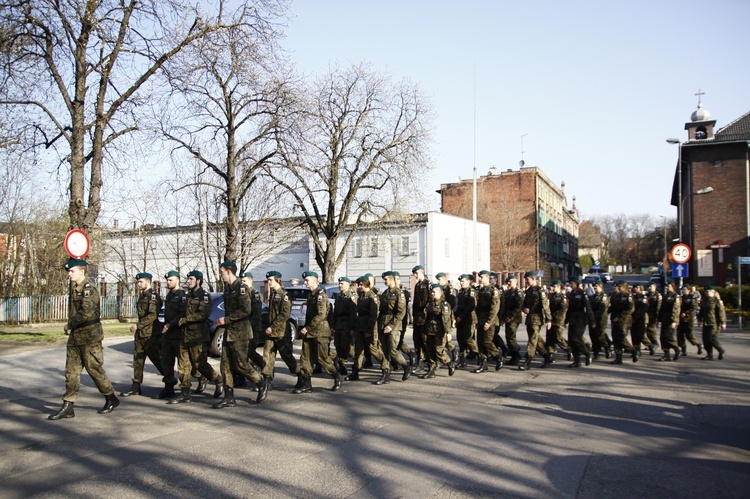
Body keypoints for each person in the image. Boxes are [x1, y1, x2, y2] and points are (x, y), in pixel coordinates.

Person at [49, 259, 119, 420]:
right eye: (69, 271)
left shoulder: (90, 290)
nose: (69, 274)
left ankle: (111, 398)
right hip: (76, 337)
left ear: (82, 271)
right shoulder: (73, 289)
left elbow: (86, 313)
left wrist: (69, 325)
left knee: (94, 369)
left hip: (90, 337)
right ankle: (68, 405)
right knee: (71, 372)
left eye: (72, 271)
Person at [212, 261, 268, 408]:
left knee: (241, 364)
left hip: (241, 332)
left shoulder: (241, 288)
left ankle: (261, 382)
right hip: (229, 332)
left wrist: (226, 319)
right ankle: (229, 397)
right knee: (225, 365)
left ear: (229, 271)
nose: (221, 275)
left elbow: (246, 311)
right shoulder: (228, 289)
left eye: (222, 272)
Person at [169, 270, 223, 404]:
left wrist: (186, 319)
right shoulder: (187, 296)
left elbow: (203, 314)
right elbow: (181, 312)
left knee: (200, 364)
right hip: (185, 335)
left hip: (198, 336)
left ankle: (217, 380)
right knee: (183, 365)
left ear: (198, 280)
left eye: (191, 279)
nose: (188, 282)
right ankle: (185, 392)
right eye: (187, 279)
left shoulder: (204, 296)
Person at [295, 271, 343, 394]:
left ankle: (337, 376)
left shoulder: (320, 295)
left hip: (320, 332)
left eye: (307, 280)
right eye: (304, 280)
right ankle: (307, 384)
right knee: (305, 358)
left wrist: (307, 328)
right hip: (310, 332)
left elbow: (321, 315)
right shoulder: (311, 295)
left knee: (322, 359)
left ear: (315, 281)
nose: (305, 282)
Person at [121, 272, 163, 397]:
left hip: (150, 335)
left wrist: (138, 325)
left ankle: (170, 382)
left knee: (157, 360)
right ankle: (136, 386)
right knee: (138, 360)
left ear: (148, 282)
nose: (138, 284)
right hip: (141, 334)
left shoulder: (153, 296)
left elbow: (152, 315)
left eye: (141, 282)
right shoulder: (142, 296)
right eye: (137, 282)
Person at [262, 271, 304, 389]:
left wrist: (272, 326)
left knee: (287, 356)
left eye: (271, 280)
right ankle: (267, 379)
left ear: (278, 280)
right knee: (267, 356)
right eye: (268, 280)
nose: (268, 282)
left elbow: (284, 314)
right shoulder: (273, 294)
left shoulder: (284, 294)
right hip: (271, 332)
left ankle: (300, 374)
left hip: (281, 332)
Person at [350, 276, 392, 383]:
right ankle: (355, 371)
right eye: (358, 285)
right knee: (359, 350)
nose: (359, 287)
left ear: (366, 284)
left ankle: (386, 368)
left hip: (369, 326)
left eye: (361, 285)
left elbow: (373, 315)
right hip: (360, 325)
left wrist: (369, 330)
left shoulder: (372, 297)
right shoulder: (361, 296)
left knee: (374, 350)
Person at [378, 271, 412, 381]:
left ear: (393, 279)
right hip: (383, 322)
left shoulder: (399, 293)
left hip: (395, 324)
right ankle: (386, 371)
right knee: (383, 349)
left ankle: (406, 366)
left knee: (392, 349)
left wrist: (391, 326)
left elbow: (401, 312)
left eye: (386, 279)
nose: (384, 281)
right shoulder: (385, 293)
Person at [419, 284, 456, 379]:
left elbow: (446, 319)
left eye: (434, 292)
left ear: (440, 293)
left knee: (438, 350)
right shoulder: (430, 304)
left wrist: (448, 332)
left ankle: (449, 363)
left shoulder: (444, 305)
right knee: (429, 350)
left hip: (440, 331)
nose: (432, 294)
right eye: (432, 292)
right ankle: (431, 369)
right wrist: (424, 331)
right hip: (429, 330)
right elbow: (426, 318)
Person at [158, 270, 185, 400]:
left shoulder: (182, 295)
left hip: (178, 334)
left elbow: (182, 313)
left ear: (177, 280)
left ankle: (186, 389)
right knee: (166, 361)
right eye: (167, 280)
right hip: (167, 334)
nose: (168, 282)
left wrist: (170, 325)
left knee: (182, 364)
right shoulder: (169, 295)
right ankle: (168, 387)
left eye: (171, 280)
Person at [519, 271, 551, 371]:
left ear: (533, 278)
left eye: (527, 279)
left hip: (537, 318)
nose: (526, 281)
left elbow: (545, 306)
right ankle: (547, 356)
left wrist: (548, 319)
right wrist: (524, 309)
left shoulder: (540, 291)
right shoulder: (528, 291)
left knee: (532, 340)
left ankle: (527, 361)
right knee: (537, 340)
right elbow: (523, 304)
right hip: (529, 318)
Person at [473, 270, 501, 373]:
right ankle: (483, 363)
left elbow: (495, 308)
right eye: (479, 277)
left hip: (490, 320)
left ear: (487, 278)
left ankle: (498, 356)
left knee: (487, 341)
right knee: (480, 342)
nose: (480, 279)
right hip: (481, 319)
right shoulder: (481, 291)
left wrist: (489, 321)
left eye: (482, 277)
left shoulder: (493, 290)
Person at [565, 276, 594, 367]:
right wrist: (566, 320)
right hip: (573, 318)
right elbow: (569, 309)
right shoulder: (572, 293)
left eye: (572, 283)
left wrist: (592, 321)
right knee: (571, 341)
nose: (570, 285)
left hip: (581, 318)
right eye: (570, 283)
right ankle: (577, 360)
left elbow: (588, 308)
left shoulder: (582, 293)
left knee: (576, 338)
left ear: (576, 283)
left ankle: (587, 354)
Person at [608, 280, 639, 364]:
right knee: (615, 338)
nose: (618, 288)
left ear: (624, 287)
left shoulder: (628, 296)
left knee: (621, 337)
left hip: (624, 320)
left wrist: (619, 317)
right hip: (614, 319)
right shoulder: (615, 295)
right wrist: (606, 312)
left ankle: (633, 351)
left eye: (620, 286)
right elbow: (612, 307)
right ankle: (618, 357)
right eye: (617, 286)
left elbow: (630, 308)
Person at [240, 272, 266, 370]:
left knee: (250, 351)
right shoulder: (243, 293)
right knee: (244, 352)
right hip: (244, 327)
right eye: (241, 281)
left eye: (244, 281)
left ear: (251, 280)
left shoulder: (255, 294)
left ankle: (266, 366)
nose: (242, 283)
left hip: (253, 327)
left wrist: (249, 326)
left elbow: (256, 312)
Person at [332, 276, 357, 376]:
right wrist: (333, 326)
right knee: (338, 345)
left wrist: (352, 328)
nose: (340, 285)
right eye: (339, 283)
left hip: (347, 324)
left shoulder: (351, 296)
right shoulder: (339, 296)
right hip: (338, 325)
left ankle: (358, 359)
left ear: (347, 284)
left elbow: (354, 314)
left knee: (346, 346)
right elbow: (335, 313)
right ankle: (342, 367)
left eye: (342, 284)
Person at [542, 279, 570, 367]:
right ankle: (551, 353)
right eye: (552, 286)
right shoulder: (550, 295)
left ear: (559, 287)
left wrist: (554, 316)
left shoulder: (563, 297)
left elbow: (563, 308)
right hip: (550, 319)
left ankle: (568, 349)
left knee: (558, 337)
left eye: (554, 286)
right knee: (549, 337)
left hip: (558, 320)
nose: (552, 288)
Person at [454, 274, 479, 367]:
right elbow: (458, 306)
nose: (461, 283)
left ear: (469, 281)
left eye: (463, 281)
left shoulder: (471, 292)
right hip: (460, 319)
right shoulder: (461, 292)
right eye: (460, 281)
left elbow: (471, 306)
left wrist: (461, 316)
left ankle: (479, 354)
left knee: (468, 339)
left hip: (469, 318)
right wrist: (456, 316)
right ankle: (462, 360)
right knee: (460, 339)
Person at [697, 286, 726, 360]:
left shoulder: (717, 301)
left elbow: (721, 312)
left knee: (711, 338)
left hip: (714, 322)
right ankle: (709, 355)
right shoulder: (704, 301)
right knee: (705, 339)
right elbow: (701, 312)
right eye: (706, 291)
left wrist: (723, 322)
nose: (706, 293)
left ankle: (721, 350)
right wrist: (699, 320)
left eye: (708, 291)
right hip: (706, 322)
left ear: (713, 292)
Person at [501, 274, 524, 366]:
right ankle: (516, 353)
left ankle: (515, 356)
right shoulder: (507, 292)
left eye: (510, 281)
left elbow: (519, 307)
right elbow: (504, 306)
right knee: (508, 337)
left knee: (511, 337)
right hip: (508, 317)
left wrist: (510, 317)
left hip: (514, 318)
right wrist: (503, 317)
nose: (509, 283)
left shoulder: (519, 292)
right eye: (508, 282)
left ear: (516, 281)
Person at [411, 265, 431, 370]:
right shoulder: (417, 285)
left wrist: (423, 315)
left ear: (422, 272)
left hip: (424, 317)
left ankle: (430, 360)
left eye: (416, 273)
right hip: (417, 315)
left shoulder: (428, 284)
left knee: (425, 340)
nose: (415, 275)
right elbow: (415, 302)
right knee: (416, 339)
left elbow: (430, 301)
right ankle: (420, 360)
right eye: (414, 273)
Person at [435, 272, 458, 361]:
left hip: (447, 315)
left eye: (439, 279)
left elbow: (452, 303)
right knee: (441, 337)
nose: (438, 281)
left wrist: (452, 317)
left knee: (443, 337)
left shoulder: (450, 289)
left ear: (444, 279)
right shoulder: (439, 288)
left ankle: (453, 351)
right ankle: (453, 350)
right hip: (440, 315)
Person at [658, 281, 682, 361]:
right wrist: (659, 319)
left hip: (671, 320)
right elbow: (661, 309)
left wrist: (674, 321)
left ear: (673, 286)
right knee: (662, 337)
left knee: (668, 336)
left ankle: (677, 349)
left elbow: (676, 309)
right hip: (665, 319)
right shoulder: (665, 296)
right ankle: (666, 354)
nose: (667, 288)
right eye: (666, 286)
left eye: (668, 286)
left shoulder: (676, 297)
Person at [678, 286, 703, 356]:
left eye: (684, 289)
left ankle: (698, 345)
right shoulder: (681, 298)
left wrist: (686, 313)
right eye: (682, 289)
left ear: (689, 290)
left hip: (689, 319)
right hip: (681, 319)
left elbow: (694, 308)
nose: (683, 291)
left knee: (689, 335)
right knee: (680, 335)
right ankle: (683, 350)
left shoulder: (692, 297)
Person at [589, 282, 612, 359]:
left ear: (601, 287)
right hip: (592, 318)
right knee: (592, 335)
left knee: (600, 335)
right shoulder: (593, 296)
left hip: (600, 319)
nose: (595, 287)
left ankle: (607, 348)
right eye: (594, 286)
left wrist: (594, 318)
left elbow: (601, 309)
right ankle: (596, 352)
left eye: (596, 286)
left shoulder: (604, 297)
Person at [630, 284, 653, 354]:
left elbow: (643, 309)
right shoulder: (633, 297)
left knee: (640, 335)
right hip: (633, 319)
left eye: (637, 287)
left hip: (641, 319)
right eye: (634, 287)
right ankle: (637, 349)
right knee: (634, 335)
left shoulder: (643, 298)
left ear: (640, 288)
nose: (635, 289)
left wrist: (635, 316)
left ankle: (651, 346)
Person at [646, 282, 662, 353]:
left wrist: (658, 316)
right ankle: (651, 344)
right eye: (648, 286)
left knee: (651, 329)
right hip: (647, 315)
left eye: (651, 286)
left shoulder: (657, 295)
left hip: (653, 315)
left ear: (655, 287)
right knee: (647, 330)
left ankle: (655, 343)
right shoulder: (647, 295)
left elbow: (659, 306)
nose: (649, 288)